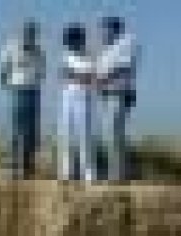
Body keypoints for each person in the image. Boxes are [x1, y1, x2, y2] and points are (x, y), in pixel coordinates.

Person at [0, 20, 46, 180]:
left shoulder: (39, 50)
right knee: (17, 130)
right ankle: (12, 167)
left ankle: (28, 167)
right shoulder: (11, 46)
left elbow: (42, 71)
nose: (30, 36)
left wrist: (35, 82)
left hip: (33, 91)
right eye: (28, 32)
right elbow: (3, 69)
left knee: (32, 131)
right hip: (18, 90)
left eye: (33, 33)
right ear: (22, 33)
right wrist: (8, 84)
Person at [95, 16, 138, 181]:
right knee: (110, 133)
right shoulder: (106, 49)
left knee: (114, 132)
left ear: (113, 29)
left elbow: (123, 67)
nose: (101, 34)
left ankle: (119, 173)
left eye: (104, 30)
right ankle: (117, 171)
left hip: (120, 92)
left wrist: (101, 79)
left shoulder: (127, 42)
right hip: (107, 94)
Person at [58, 22, 96, 183]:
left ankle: (88, 173)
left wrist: (75, 75)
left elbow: (90, 77)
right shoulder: (65, 55)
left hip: (83, 96)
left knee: (84, 135)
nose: (70, 44)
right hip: (67, 95)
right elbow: (62, 74)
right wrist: (77, 75)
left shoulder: (89, 56)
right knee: (66, 134)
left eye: (72, 40)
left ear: (80, 39)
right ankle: (67, 172)